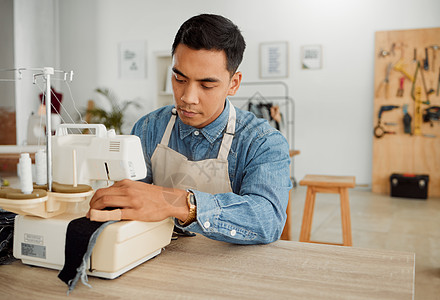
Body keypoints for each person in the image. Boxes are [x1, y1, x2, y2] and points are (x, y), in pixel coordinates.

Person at [88, 14, 292, 244]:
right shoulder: (148, 128)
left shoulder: (262, 141)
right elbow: (127, 200)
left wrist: (176, 203)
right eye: (179, 78)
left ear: (233, 83)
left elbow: (267, 219)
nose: (188, 97)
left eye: (206, 85)